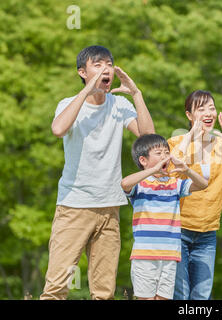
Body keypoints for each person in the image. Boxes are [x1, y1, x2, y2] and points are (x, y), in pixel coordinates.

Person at [40, 45, 155, 300]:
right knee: (56, 288)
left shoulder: (119, 105)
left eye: (109, 64)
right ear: (82, 71)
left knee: (103, 292)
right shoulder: (69, 104)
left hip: (110, 208)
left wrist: (136, 93)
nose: (106, 69)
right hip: (74, 207)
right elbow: (58, 129)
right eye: (98, 64)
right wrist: (86, 90)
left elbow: (149, 138)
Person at [167, 90, 222, 300]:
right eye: (201, 108)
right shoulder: (176, 143)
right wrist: (192, 140)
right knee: (180, 295)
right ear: (189, 115)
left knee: (201, 296)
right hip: (178, 230)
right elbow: (172, 172)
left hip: (207, 234)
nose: (209, 113)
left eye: (212, 108)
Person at [121, 134, 208, 300]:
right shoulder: (140, 185)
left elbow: (203, 184)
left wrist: (187, 170)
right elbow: (124, 183)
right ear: (143, 160)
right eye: (158, 153)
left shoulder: (174, 183)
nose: (164, 156)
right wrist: (152, 171)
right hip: (144, 255)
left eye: (166, 153)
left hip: (169, 255)